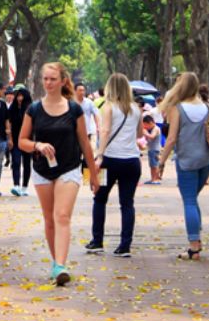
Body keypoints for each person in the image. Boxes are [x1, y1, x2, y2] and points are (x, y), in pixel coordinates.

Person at [19, 63, 99, 285]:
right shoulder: (34, 109)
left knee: (62, 215)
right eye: (45, 79)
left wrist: (93, 174)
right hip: (42, 170)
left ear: (63, 81)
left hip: (69, 168)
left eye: (53, 79)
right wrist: (38, 145)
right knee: (49, 219)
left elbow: (84, 141)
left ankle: (61, 265)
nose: (48, 83)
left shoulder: (74, 109)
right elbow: (21, 142)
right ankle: (56, 263)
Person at [158, 72, 209, 261]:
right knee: (194, 199)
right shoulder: (207, 107)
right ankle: (197, 239)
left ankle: (193, 246)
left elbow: (172, 138)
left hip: (187, 161)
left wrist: (161, 161)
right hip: (206, 160)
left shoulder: (178, 109)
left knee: (189, 201)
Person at [85, 73, 142, 257]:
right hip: (132, 160)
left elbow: (105, 130)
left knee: (100, 199)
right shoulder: (136, 109)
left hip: (109, 159)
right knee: (127, 203)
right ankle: (125, 245)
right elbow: (140, 133)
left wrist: (99, 155)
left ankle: (97, 241)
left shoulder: (108, 107)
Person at [8, 86, 33, 196]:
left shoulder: (30, 109)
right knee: (16, 162)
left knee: (27, 164)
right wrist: (10, 139)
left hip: (27, 140)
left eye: (22, 96)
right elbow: (8, 123)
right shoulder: (12, 109)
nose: (20, 98)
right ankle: (16, 185)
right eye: (18, 96)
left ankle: (25, 187)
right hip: (15, 140)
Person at [75, 82, 101, 147]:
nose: (82, 92)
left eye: (83, 90)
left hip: (86, 131)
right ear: (75, 91)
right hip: (74, 131)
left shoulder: (89, 102)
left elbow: (96, 114)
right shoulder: (71, 102)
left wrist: (98, 126)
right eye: (80, 90)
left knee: (86, 149)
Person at [141, 114, 161, 184]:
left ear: (150, 123)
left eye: (145, 125)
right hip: (151, 149)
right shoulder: (151, 129)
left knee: (155, 165)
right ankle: (153, 179)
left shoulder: (156, 128)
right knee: (152, 165)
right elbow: (147, 140)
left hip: (155, 149)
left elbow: (152, 137)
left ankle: (156, 179)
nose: (145, 127)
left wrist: (145, 133)